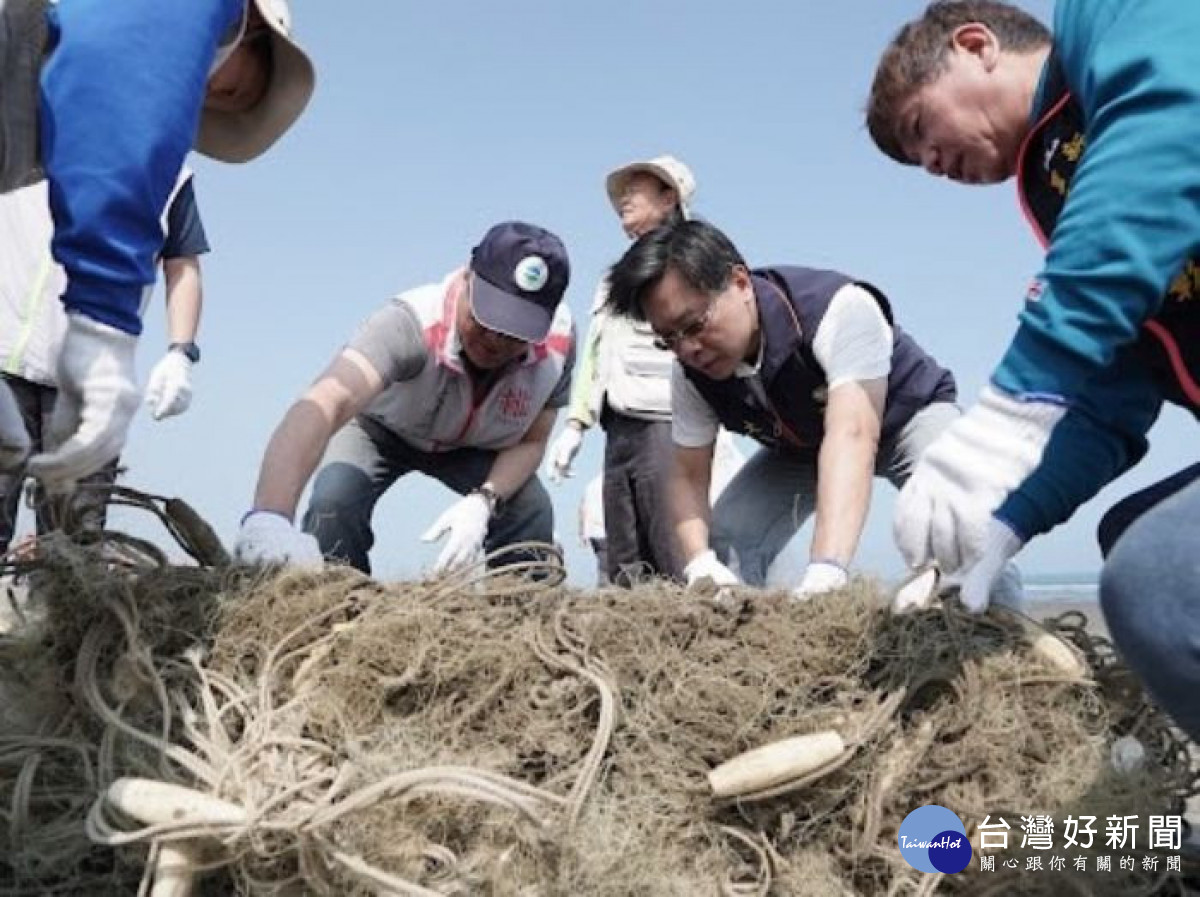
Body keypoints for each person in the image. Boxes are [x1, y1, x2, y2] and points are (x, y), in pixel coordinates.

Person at [866, 0, 1200, 736]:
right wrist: (1010, 521)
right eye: (917, 162)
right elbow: (1113, 396)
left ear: (977, 44)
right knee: (1131, 531)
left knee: (1158, 577)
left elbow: (1169, 123)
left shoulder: (1115, 20)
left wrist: (1012, 400)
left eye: (921, 129)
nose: (931, 165)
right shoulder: (1065, 194)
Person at [0, 0, 314, 491]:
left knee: (75, 531)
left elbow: (182, 264)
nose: (208, 88)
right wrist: (104, 317)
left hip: (74, 366)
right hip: (13, 348)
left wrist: (179, 351)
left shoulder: (151, 173)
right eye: (232, 86)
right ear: (246, 26)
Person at [606, 218, 975, 599]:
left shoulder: (838, 309)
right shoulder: (689, 371)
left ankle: (1008, 640)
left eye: (695, 324)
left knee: (963, 526)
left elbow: (853, 435)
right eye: (669, 339)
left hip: (904, 420)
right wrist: (699, 561)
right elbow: (687, 474)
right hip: (798, 449)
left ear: (740, 283)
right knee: (727, 542)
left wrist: (827, 568)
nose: (688, 349)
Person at [233, 222, 575, 576]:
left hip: (478, 447)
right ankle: (337, 613)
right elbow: (327, 400)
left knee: (530, 508)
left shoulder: (559, 348)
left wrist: (485, 499)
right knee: (335, 500)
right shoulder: (409, 324)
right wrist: (270, 516)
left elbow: (532, 442)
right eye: (484, 319)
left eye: (512, 332)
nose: (494, 341)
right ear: (468, 279)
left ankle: (520, 619)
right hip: (382, 431)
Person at [0, 169, 209, 546]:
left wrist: (180, 352)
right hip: (4, 366)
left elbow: (182, 264)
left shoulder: (168, 170)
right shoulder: (24, 129)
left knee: (73, 551)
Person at [546, 155, 694, 586]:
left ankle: (690, 640)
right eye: (622, 190)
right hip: (620, 426)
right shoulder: (615, 277)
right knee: (624, 553)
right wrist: (576, 423)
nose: (624, 197)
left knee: (669, 543)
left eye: (639, 187)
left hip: (666, 420)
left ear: (669, 198)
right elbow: (594, 352)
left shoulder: (689, 261)